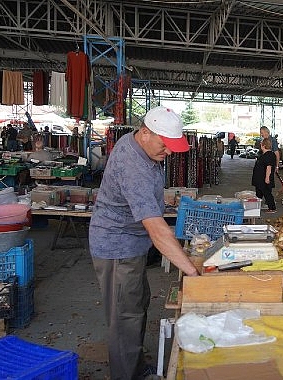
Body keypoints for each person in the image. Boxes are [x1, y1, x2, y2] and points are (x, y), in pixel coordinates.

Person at [89, 106, 201, 380]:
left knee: (136, 303)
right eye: (165, 145)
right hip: (118, 248)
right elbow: (157, 230)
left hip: (131, 243)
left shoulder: (139, 145)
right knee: (125, 316)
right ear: (145, 133)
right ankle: (127, 374)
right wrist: (192, 271)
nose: (170, 152)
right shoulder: (133, 166)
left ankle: (135, 366)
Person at [252, 137, 277, 213]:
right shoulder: (265, 154)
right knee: (259, 193)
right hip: (259, 179)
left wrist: (267, 178)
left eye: (261, 144)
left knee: (267, 193)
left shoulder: (268, 155)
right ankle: (256, 207)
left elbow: (268, 167)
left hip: (263, 179)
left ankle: (272, 208)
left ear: (263, 145)